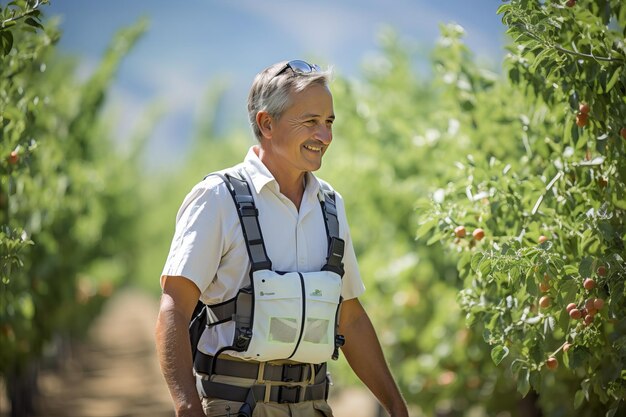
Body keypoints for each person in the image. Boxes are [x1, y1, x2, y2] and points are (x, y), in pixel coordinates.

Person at [155, 59, 409, 417]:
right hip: (236, 407)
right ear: (267, 123)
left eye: (329, 122)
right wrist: (187, 409)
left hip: (315, 407)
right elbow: (173, 310)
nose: (325, 136)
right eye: (311, 122)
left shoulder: (330, 205)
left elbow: (349, 318)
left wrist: (397, 407)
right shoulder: (217, 198)